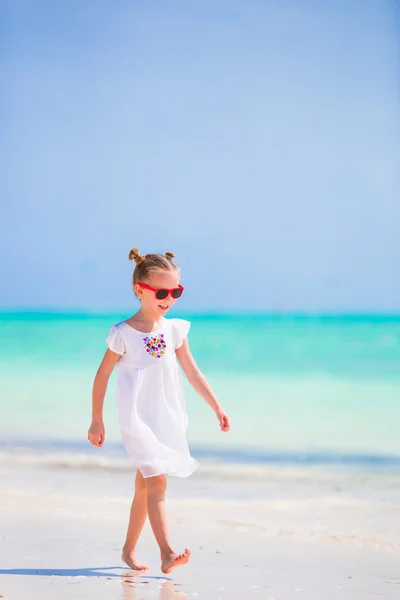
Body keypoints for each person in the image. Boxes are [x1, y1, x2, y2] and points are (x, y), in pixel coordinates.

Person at [88, 247, 231, 575]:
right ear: (140, 290)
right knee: (158, 481)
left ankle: (128, 550)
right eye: (162, 292)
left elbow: (193, 373)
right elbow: (102, 375)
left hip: (166, 416)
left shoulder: (174, 330)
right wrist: (97, 419)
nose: (169, 299)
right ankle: (167, 552)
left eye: (176, 292)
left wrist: (217, 407)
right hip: (136, 419)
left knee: (144, 485)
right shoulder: (122, 334)